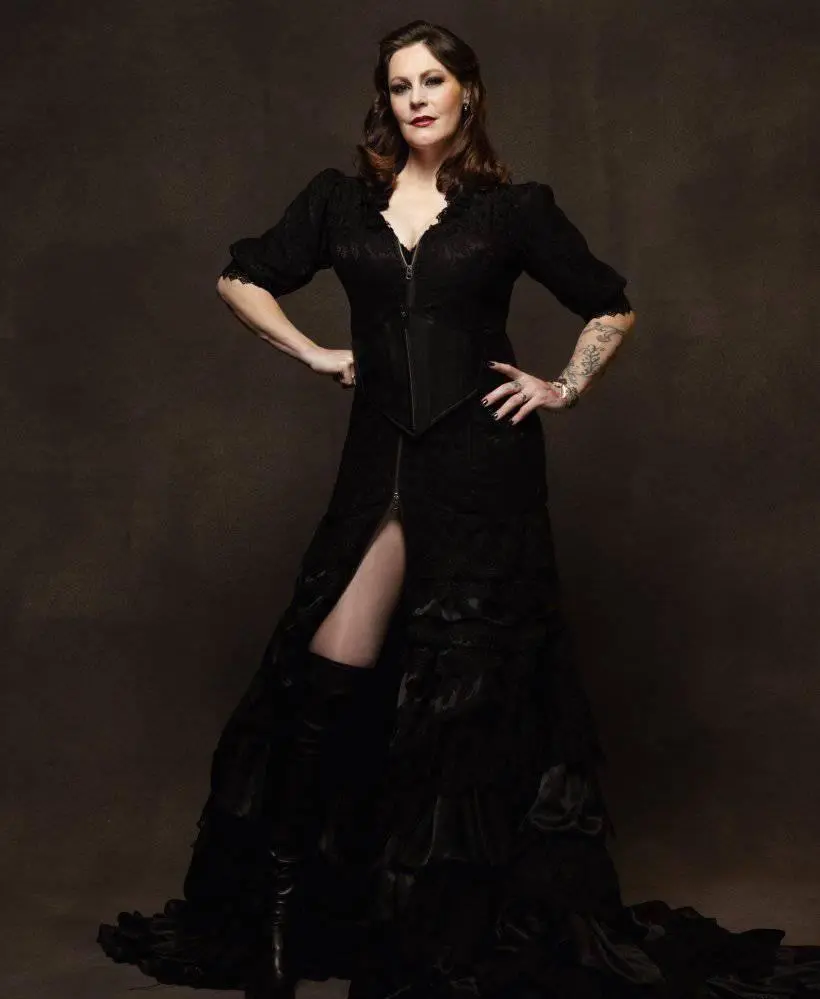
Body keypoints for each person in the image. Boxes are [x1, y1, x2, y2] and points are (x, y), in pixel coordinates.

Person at [98, 19, 820, 999]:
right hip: (378, 470)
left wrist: (564, 385)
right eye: (401, 86)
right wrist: (314, 353)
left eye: (433, 80)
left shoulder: (512, 210)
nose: (417, 99)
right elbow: (240, 276)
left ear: (466, 91)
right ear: (386, 102)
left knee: (466, 703)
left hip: (484, 473)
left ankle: (437, 936)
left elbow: (609, 302)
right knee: (324, 683)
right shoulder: (338, 202)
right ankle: (280, 921)